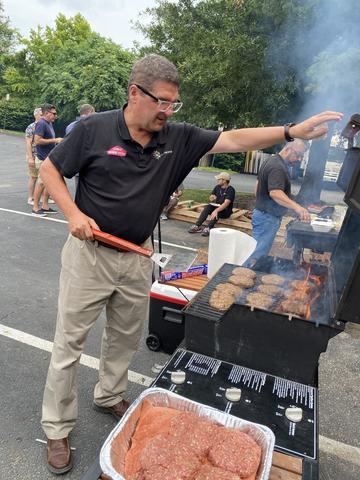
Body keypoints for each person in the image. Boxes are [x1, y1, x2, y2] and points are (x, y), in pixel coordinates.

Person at [38, 53, 342, 474]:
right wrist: (72, 214)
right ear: (134, 93)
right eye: (160, 101)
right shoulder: (93, 129)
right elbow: (51, 169)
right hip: (90, 257)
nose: (167, 110)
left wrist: (290, 130)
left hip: (137, 256)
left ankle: (109, 395)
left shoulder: (176, 138)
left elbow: (235, 139)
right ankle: (56, 428)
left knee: (125, 339)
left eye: (172, 103)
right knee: (69, 345)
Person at [244, 139, 311, 267]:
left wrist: (260, 202)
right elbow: (275, 193)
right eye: (298, 155)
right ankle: (243, 276)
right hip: (267, 218)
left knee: (256, 249)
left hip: (263, 215)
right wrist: (298, 208)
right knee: (257, 254)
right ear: (288, 149)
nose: (299, 159)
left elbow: (258, 185)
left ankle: (246, 272)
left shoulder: (271, 160)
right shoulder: (278, 167)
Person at [32, 104, 62, 216]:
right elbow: (37, 141)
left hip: (48, 158)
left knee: (47, 183)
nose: (55, 116)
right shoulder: (41, 123)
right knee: (41, 182)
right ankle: (35, 208)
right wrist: (55, 140)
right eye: (53, 113)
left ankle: (45, 206)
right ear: (46, 113)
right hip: (42, 158)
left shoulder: (49, 123)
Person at [188, 172, 235, 236]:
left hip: (225, 211)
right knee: (208, 206)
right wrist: (212, 197)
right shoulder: (217, 187)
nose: (217, 180)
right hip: (216, 207)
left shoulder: (231, 190)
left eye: (219, 179)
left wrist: (216, 211)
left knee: (218, 211)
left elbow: (226, 203)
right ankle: (197, 226)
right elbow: (211, 197)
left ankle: (208, 228)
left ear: (224, 181)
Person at [65, 104, 96, 191]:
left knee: (79, 190)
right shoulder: (93, 125)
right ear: (90, 112)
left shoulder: (70, 126)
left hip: (76, 164)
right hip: (91, 164)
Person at [24, 107, 42, 205]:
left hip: (42, 156)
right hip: (34, 155)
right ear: (36, 115)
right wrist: (30, 158)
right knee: (33, 177)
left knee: (43, 177)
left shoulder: (44, 125)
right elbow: (28, 143)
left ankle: (43, 198)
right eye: (41, 113)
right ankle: (30, 198)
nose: (42, 115)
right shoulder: (31, 127)